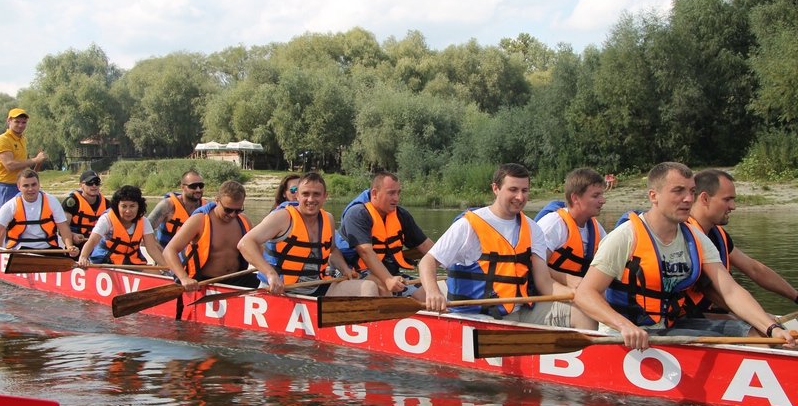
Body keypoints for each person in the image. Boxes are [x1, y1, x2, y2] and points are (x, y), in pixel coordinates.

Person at [574, 162, 795, 350]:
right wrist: (623, 326)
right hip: (630, 335)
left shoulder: (695, 238)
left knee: (759, 335)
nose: (688, 199)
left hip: (670, 326)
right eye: (678, 191)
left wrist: (772, 328)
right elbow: (585, 294)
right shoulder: (625, 237)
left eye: (692, 191)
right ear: (654, 196)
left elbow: (730, 291)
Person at [419, 163, 591, 329]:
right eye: (513, 190)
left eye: (524, 191)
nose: (520, 197)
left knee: (584, 311)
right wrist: (433, 291)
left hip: (519, 312)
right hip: (476, 317)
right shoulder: (468, 225)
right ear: (496, 188)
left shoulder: (533, 229)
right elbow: (428, 262)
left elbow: (544, 282)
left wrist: (578, 296)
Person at [239, 173, 379, 297]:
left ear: (325, 197)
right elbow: (245, 244)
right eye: (305, 194)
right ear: (297, 196)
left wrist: (345, 269)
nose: (311, 199)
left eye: (316, 194)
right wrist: (270, 274)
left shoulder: (328, 219)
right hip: (281, 289)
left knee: (369, 287)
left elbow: (332, 250)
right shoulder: (282, 217)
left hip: (317, 286)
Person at [686, 169, 798, 313]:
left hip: (705, 313)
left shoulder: (717, 235)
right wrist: (762, 319)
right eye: (727, 199)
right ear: (705, 199)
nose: (733, 206)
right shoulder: (685, 237)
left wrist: (796, 296)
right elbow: (710, 291)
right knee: (756, 325)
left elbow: (754, 269)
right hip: (684, 318)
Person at [337, 172, 433, 300]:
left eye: (398, 193)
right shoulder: (357, 214)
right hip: (355, 272)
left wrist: (451, 264)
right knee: (382, 286)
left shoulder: (401, 215)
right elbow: (365, 252)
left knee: (426, 293)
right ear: (374, 193)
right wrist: (388, 279)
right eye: (391, 193)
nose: (396, 198)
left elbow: (425, 245)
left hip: (391, 273)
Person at [162, 180, 259, 291]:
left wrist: (270, 273)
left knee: (266, 282)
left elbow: (259, 250)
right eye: (228, 210)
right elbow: (169, 250)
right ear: (217, 201)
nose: (232, 215)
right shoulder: (199, 220)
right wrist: (184, 278)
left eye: (238, 210)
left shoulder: (244, 221)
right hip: (205, 282)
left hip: (237, 278)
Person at [535, 168, 607, 289]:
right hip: (549, 292)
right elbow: (534, 266)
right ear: (575, 198)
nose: (603, 201)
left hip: (578, 291)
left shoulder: (596, 229)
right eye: (595, 196)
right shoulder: (553, 224)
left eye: (602, 195)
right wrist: (566, 278)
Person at [78, 185, 167, 267]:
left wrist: (168, 268)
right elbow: (92, 241)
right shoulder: (106, 219)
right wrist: (83, 257)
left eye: (132, 206)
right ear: (117, 206)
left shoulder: (144, 221)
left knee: (156, 274)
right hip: (105, 261)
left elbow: (152, 249)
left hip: (132, 262)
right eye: (124, 206)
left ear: (139, 206)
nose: (128, 211)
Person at [0, 169, 78, 257]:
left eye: (34, 185)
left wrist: (69, 247)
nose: (30, 189)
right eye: (26, 186)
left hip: (49, 249)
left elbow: (63, 228)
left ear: (39, 184)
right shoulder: (11, 205)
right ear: (19, 187)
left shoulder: (52, 201)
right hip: (19, 251)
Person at [0, 109, 48, 207]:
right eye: (17, 122)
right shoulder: (2, 140)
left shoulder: (23, 139)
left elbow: (21, 162)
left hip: (21, 185)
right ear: (9, 121)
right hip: (7, 187)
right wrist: (35, 160)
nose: (20, 125)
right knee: (6, 216)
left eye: (23, 122)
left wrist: (29, 172)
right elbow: (9, 165)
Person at [147, 171, 207, 248]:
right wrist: (158, 250)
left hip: (192, 254)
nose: (198, 190)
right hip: (165, 253)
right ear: (182, 187)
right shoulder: (167, 206)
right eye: (193, 186)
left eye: (201, 186)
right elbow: (145, 230)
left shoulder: (206, 208)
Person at [61, 170, 111, 251]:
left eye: (97, 182)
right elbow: (62, 229)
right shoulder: (72, 203)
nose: (94, 186)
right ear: (81, 185)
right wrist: (73, 235)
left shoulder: (107, 204)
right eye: (89, 183)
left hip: (99, 246)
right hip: (78, 246)